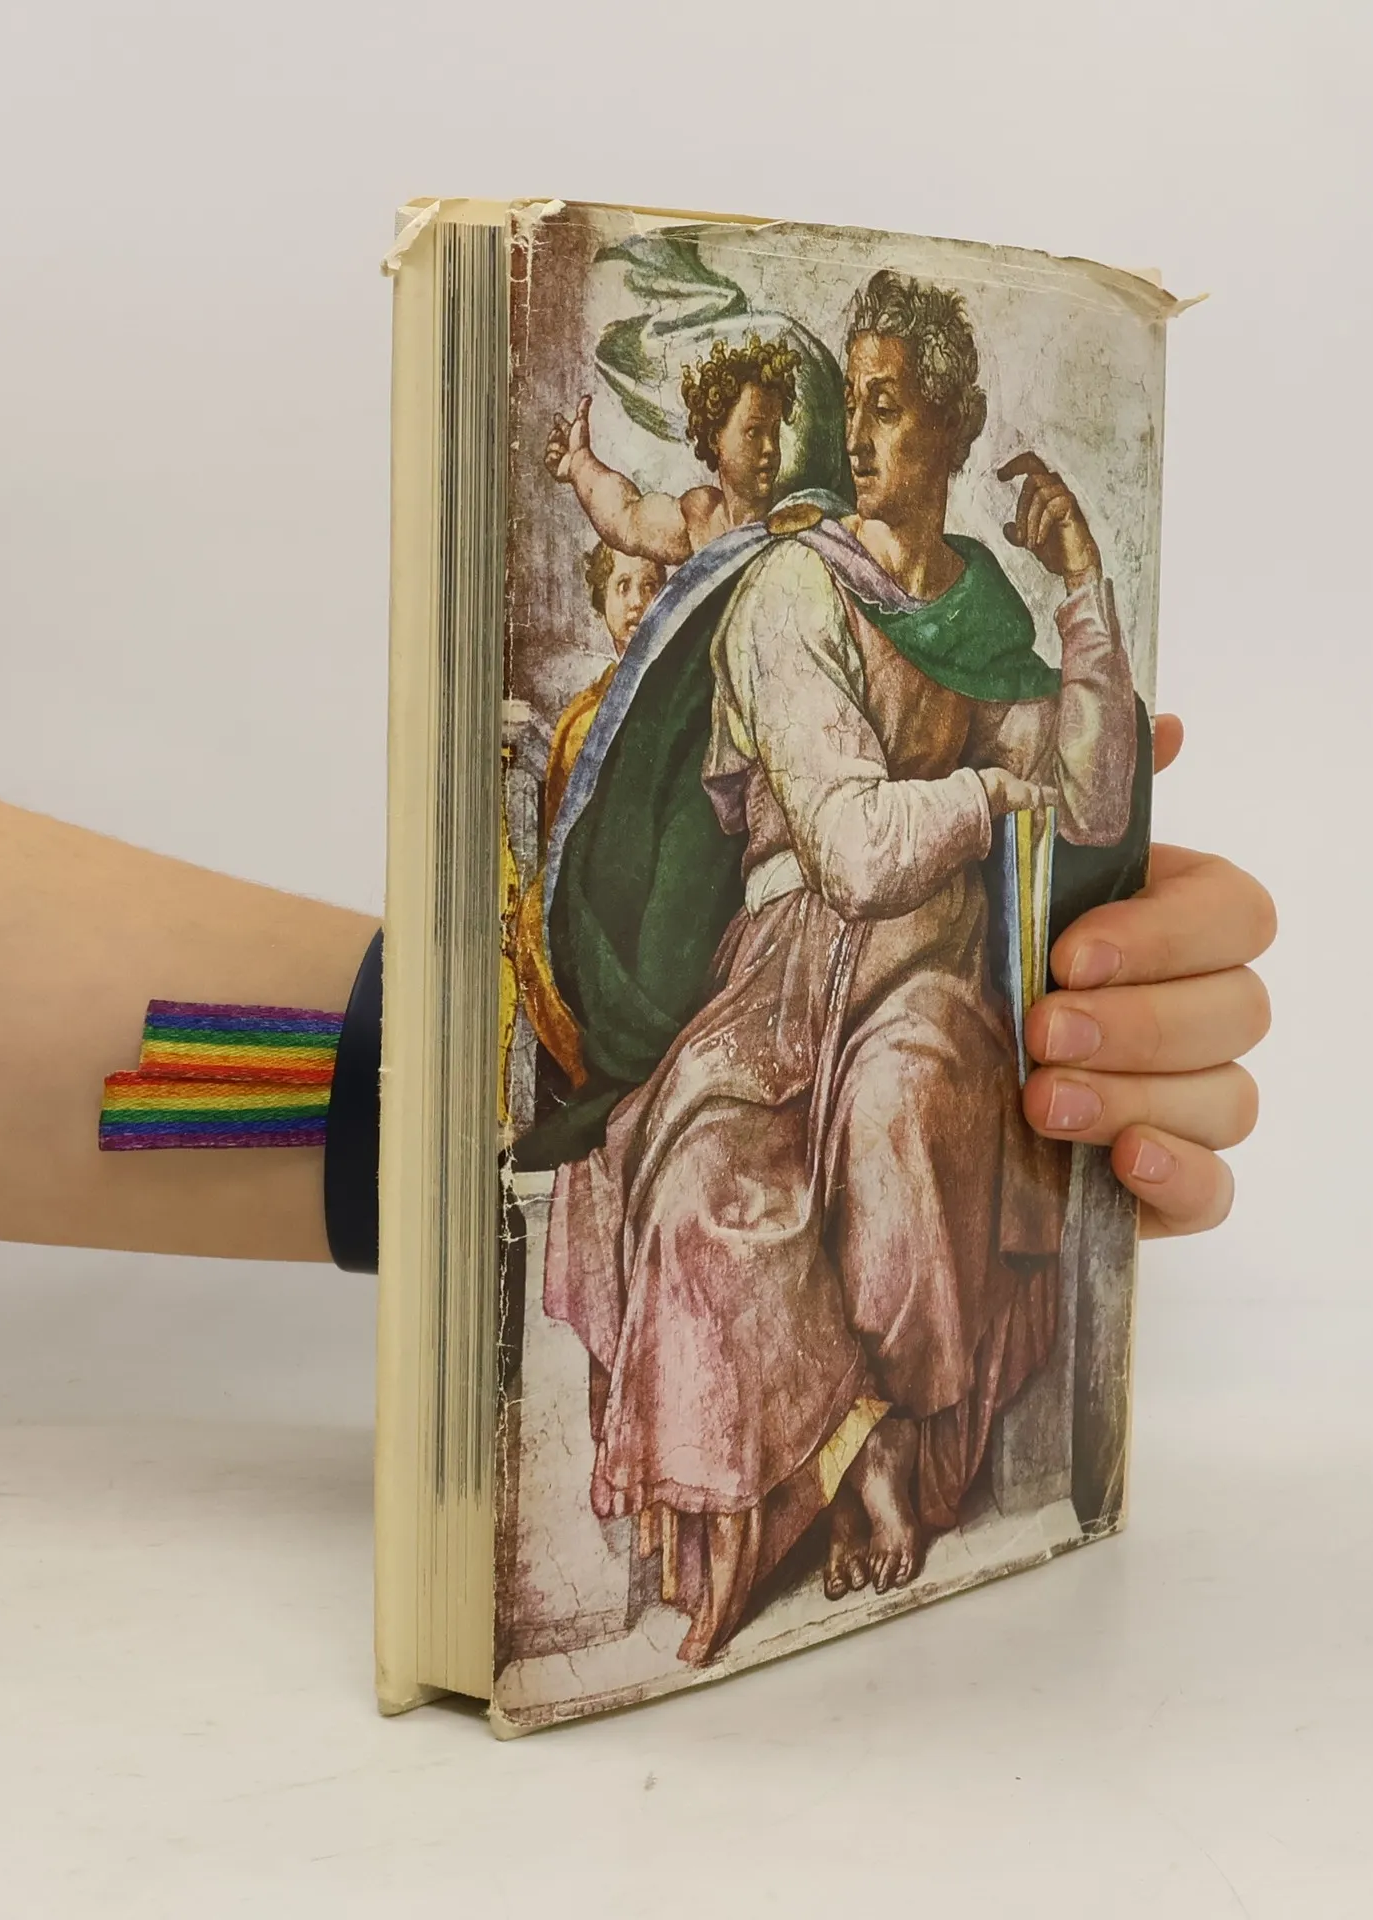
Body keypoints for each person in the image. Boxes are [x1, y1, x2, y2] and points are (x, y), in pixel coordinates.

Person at [540, 272, 1274, 1666]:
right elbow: (851, 845)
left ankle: (893, 1446)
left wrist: (1083, 590)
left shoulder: (981, 607)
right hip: (777, 971)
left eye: (890, 408)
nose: (861, 435)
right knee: (699, 1193)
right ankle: (802, 1484)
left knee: (905, 1115)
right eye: (855, 405)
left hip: (925, 969)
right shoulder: (792, 587)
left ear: (950, 429)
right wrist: (993, 794)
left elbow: (1095, 797)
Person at [515, 539, 669, 1086]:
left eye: (650, 586)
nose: (637, 602)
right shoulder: (583, 717)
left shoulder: (681, 696)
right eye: (622, 587)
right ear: (601, 600)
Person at [544, 332, 800, 563]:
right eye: (753, 432)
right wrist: (579, 462)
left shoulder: (795, 518)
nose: (770, 447)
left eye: (774, 432)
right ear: (715, 439)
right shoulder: (700, 517)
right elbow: (626, 518)